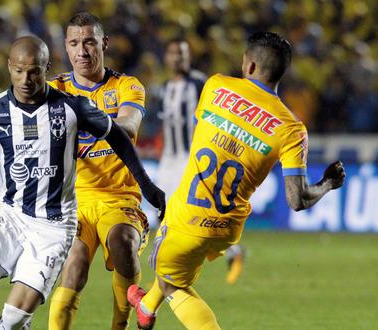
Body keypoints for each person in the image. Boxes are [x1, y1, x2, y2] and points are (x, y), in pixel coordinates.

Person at [0, 36, 165, 330]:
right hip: (10, 216)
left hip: (54, 228)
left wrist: (146, 186)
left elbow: (118, 137)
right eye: (19, 71)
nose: (26, 79)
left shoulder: (72, 108)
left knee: (12, 322)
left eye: (33, 71)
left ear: (46, 69)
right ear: (9, 67)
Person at [127, 32, 346, 329]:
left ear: (250, 66)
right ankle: (145, 305)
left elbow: (199, 135)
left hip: (188, 215)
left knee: (173, 285)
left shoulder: (216, 86)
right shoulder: (292, 129)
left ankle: (147, 308)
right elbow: (297, 200)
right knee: (171, 275)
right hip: (228, 228)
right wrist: (328, 184)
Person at [47, 12, 153, 330]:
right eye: (75, 43)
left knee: (123, 243)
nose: (82, 51)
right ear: (65, 47)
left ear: (103, 43)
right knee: (74, 267)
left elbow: (130, 126)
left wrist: (83, 119)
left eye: (90, 42)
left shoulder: (126, 86)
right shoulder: (53, 89)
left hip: (119, 196)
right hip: (73, 201)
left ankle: (120, 325)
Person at [158, 39, 244, 285]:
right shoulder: (164, 87)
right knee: (165, 214)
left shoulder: (199, 84)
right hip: (168, 160)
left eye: (182, 54)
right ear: (166, 57)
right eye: (174, 53)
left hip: (192, 158)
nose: (178, 59)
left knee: (198, 215)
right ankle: (172, 265)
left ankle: (230, 253)